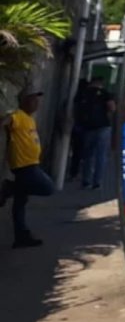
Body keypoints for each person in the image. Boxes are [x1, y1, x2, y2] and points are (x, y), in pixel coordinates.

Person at [0, 85, 55, 248]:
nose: (36, 103)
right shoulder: (18, 116)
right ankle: (9, 188)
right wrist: (5, 119)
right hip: (24, 165)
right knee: (48, 188)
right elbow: (7, 121)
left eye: (37, 99)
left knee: (20, 203)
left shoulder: (29, 119)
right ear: (24, 101)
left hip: (30, 164)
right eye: (32, 99)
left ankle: (21, 236)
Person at [75, 75, 115, 190]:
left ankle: (86, 181)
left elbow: (76, 107)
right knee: (101, 155)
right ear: (100, 83)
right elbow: (112, 108)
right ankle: (97, 182)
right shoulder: (105, 93)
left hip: (88, 127)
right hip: (103, 126)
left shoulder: (83, 93)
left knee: (88, 155)